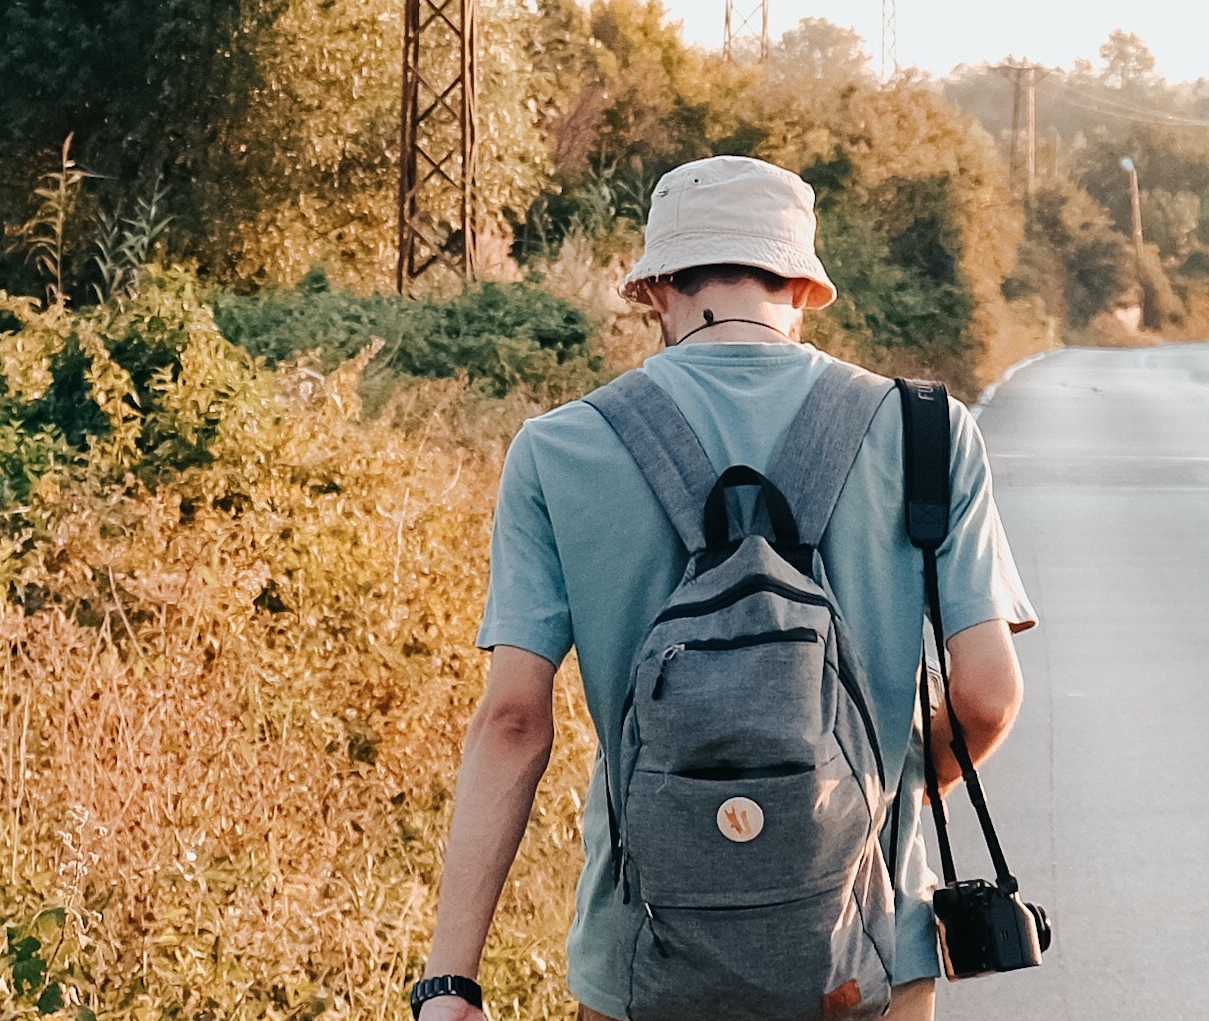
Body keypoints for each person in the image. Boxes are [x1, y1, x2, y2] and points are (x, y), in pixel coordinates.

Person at [407, 154, 1036, 1021]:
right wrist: (844, 802)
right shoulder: (926, 431)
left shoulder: (558, 448)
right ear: (806, 290)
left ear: (657, 287)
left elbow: (513, 721)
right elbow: (988, 697)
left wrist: (451, 982)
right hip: (869, 952)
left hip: (644, 958)